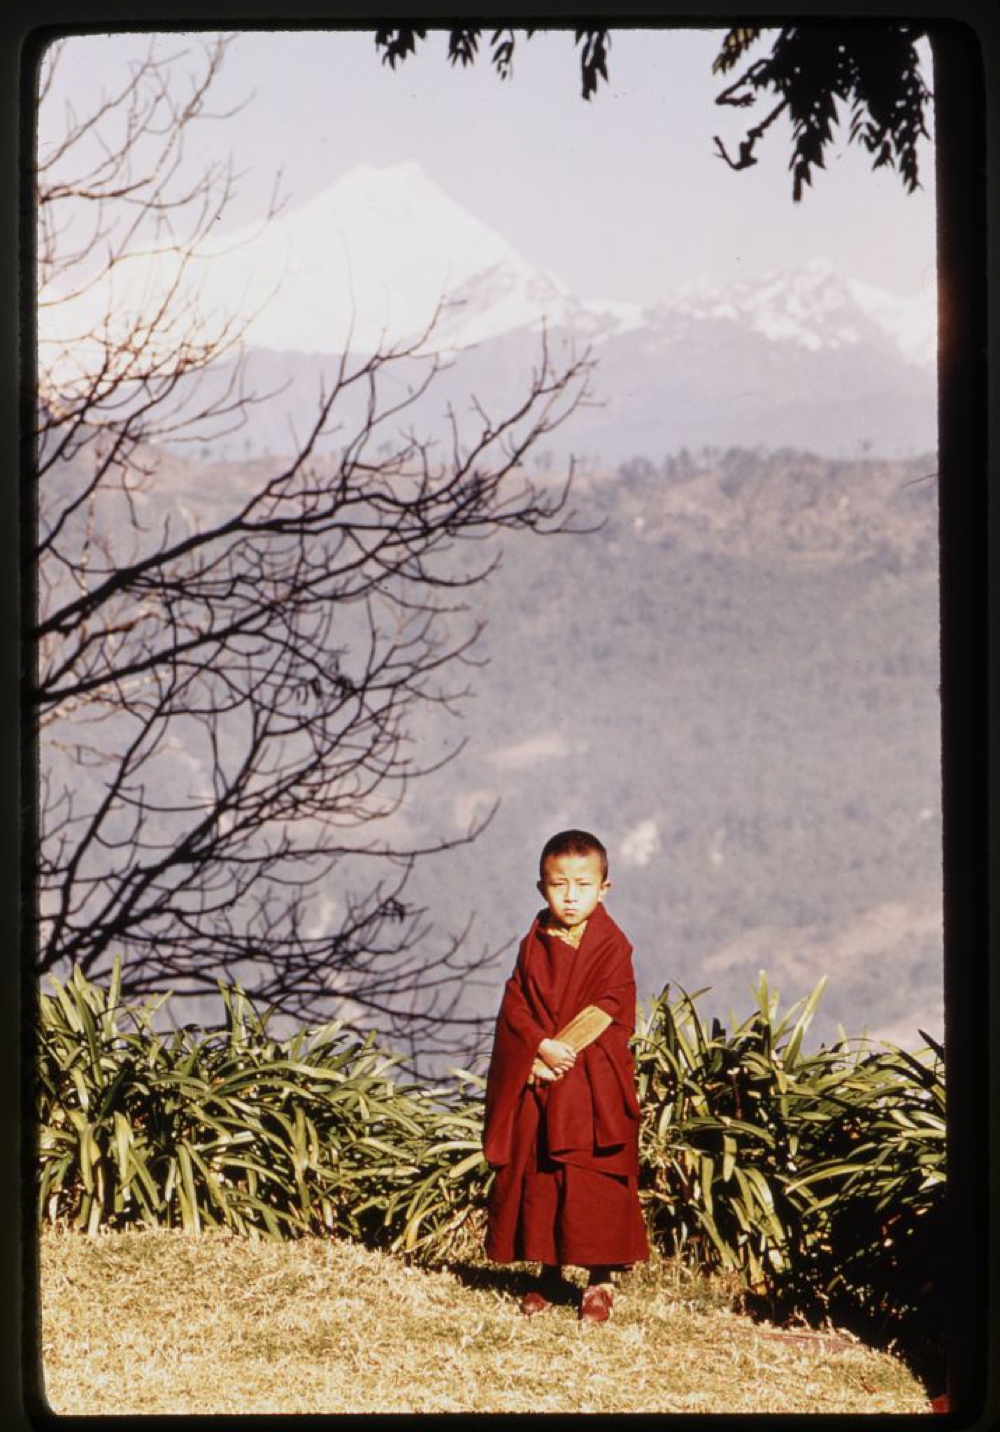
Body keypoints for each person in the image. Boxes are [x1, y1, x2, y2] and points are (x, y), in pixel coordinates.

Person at [482, 828, 649, 1322]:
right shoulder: (532, 944)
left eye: (582, 885)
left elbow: (612, 1006)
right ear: (541, 888)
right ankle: (547, 1274)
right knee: (542, 1174)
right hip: (542, 1074)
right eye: (559, 885)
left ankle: (599, 1280)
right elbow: (515, 1004)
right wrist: (539, 1046)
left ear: (604, 888)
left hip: (590, 1080)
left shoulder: (613, 945)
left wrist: (563, 1050)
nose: (570, 897)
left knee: (591, 1177)